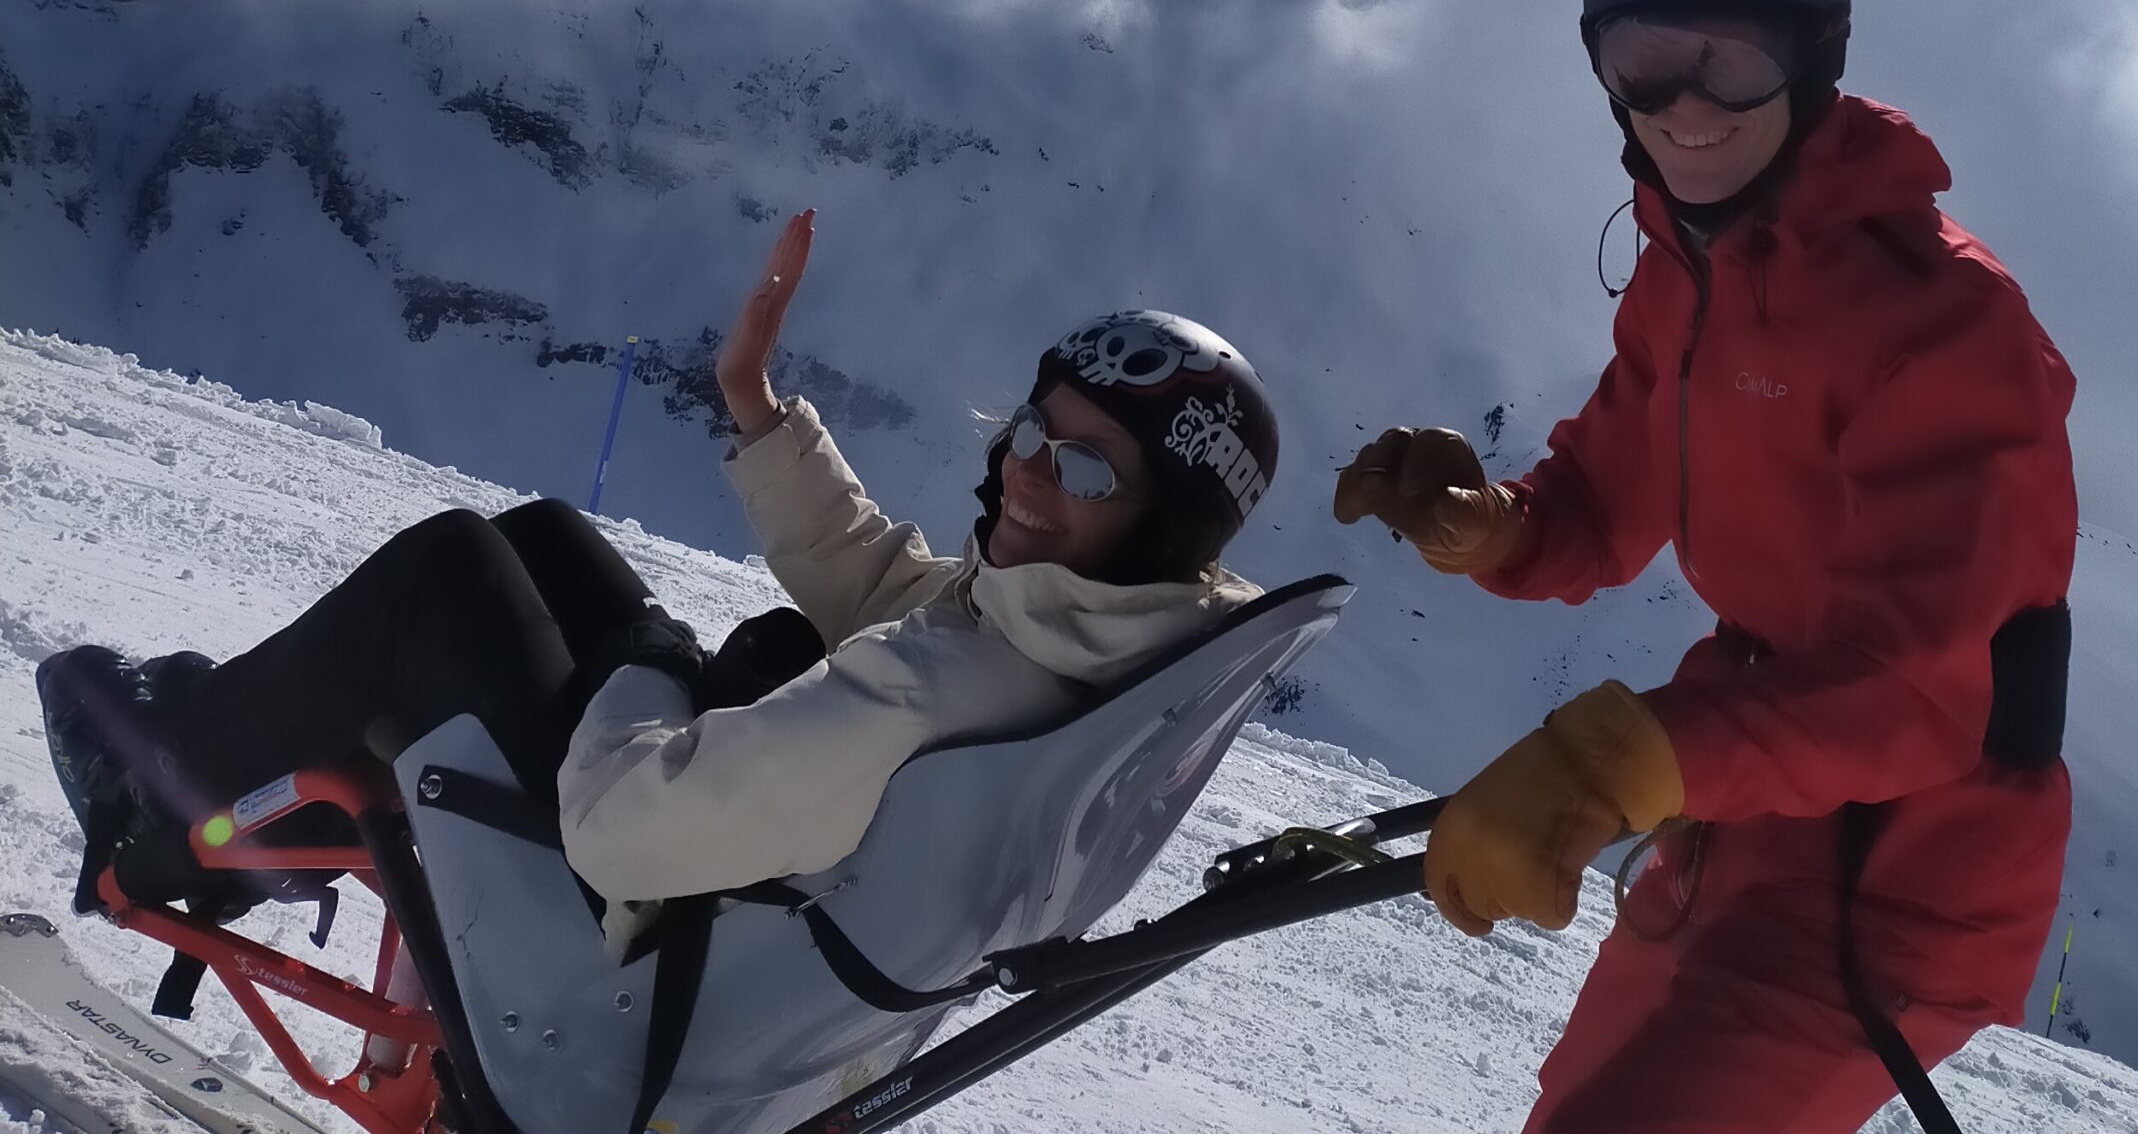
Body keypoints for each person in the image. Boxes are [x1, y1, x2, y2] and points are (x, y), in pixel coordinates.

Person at [1334, 0, 2076, 1134]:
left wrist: (1612, 760)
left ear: (1812, 61)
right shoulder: (1688, 268)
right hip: (1739, 822)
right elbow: (1610, 490)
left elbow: (1914, 689)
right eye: (1641, 63)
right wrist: (1494, 522)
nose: (1682, 106)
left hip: (1899, 875)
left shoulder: (1943, 320)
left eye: (1726, 62)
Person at [42, 212, 1281, 944]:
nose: (1026, 470)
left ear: (1166, 525)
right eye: (1030, 428)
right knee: (544, 537)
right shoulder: (1094, 641)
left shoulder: (936, 687)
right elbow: (915, 598)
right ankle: (258, 794)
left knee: (450, 575)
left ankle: (154, 820)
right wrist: (756, 406)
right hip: (757, 888)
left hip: (637, 916)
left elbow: (624, 831)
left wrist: (653, 667)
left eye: (1085, 465)